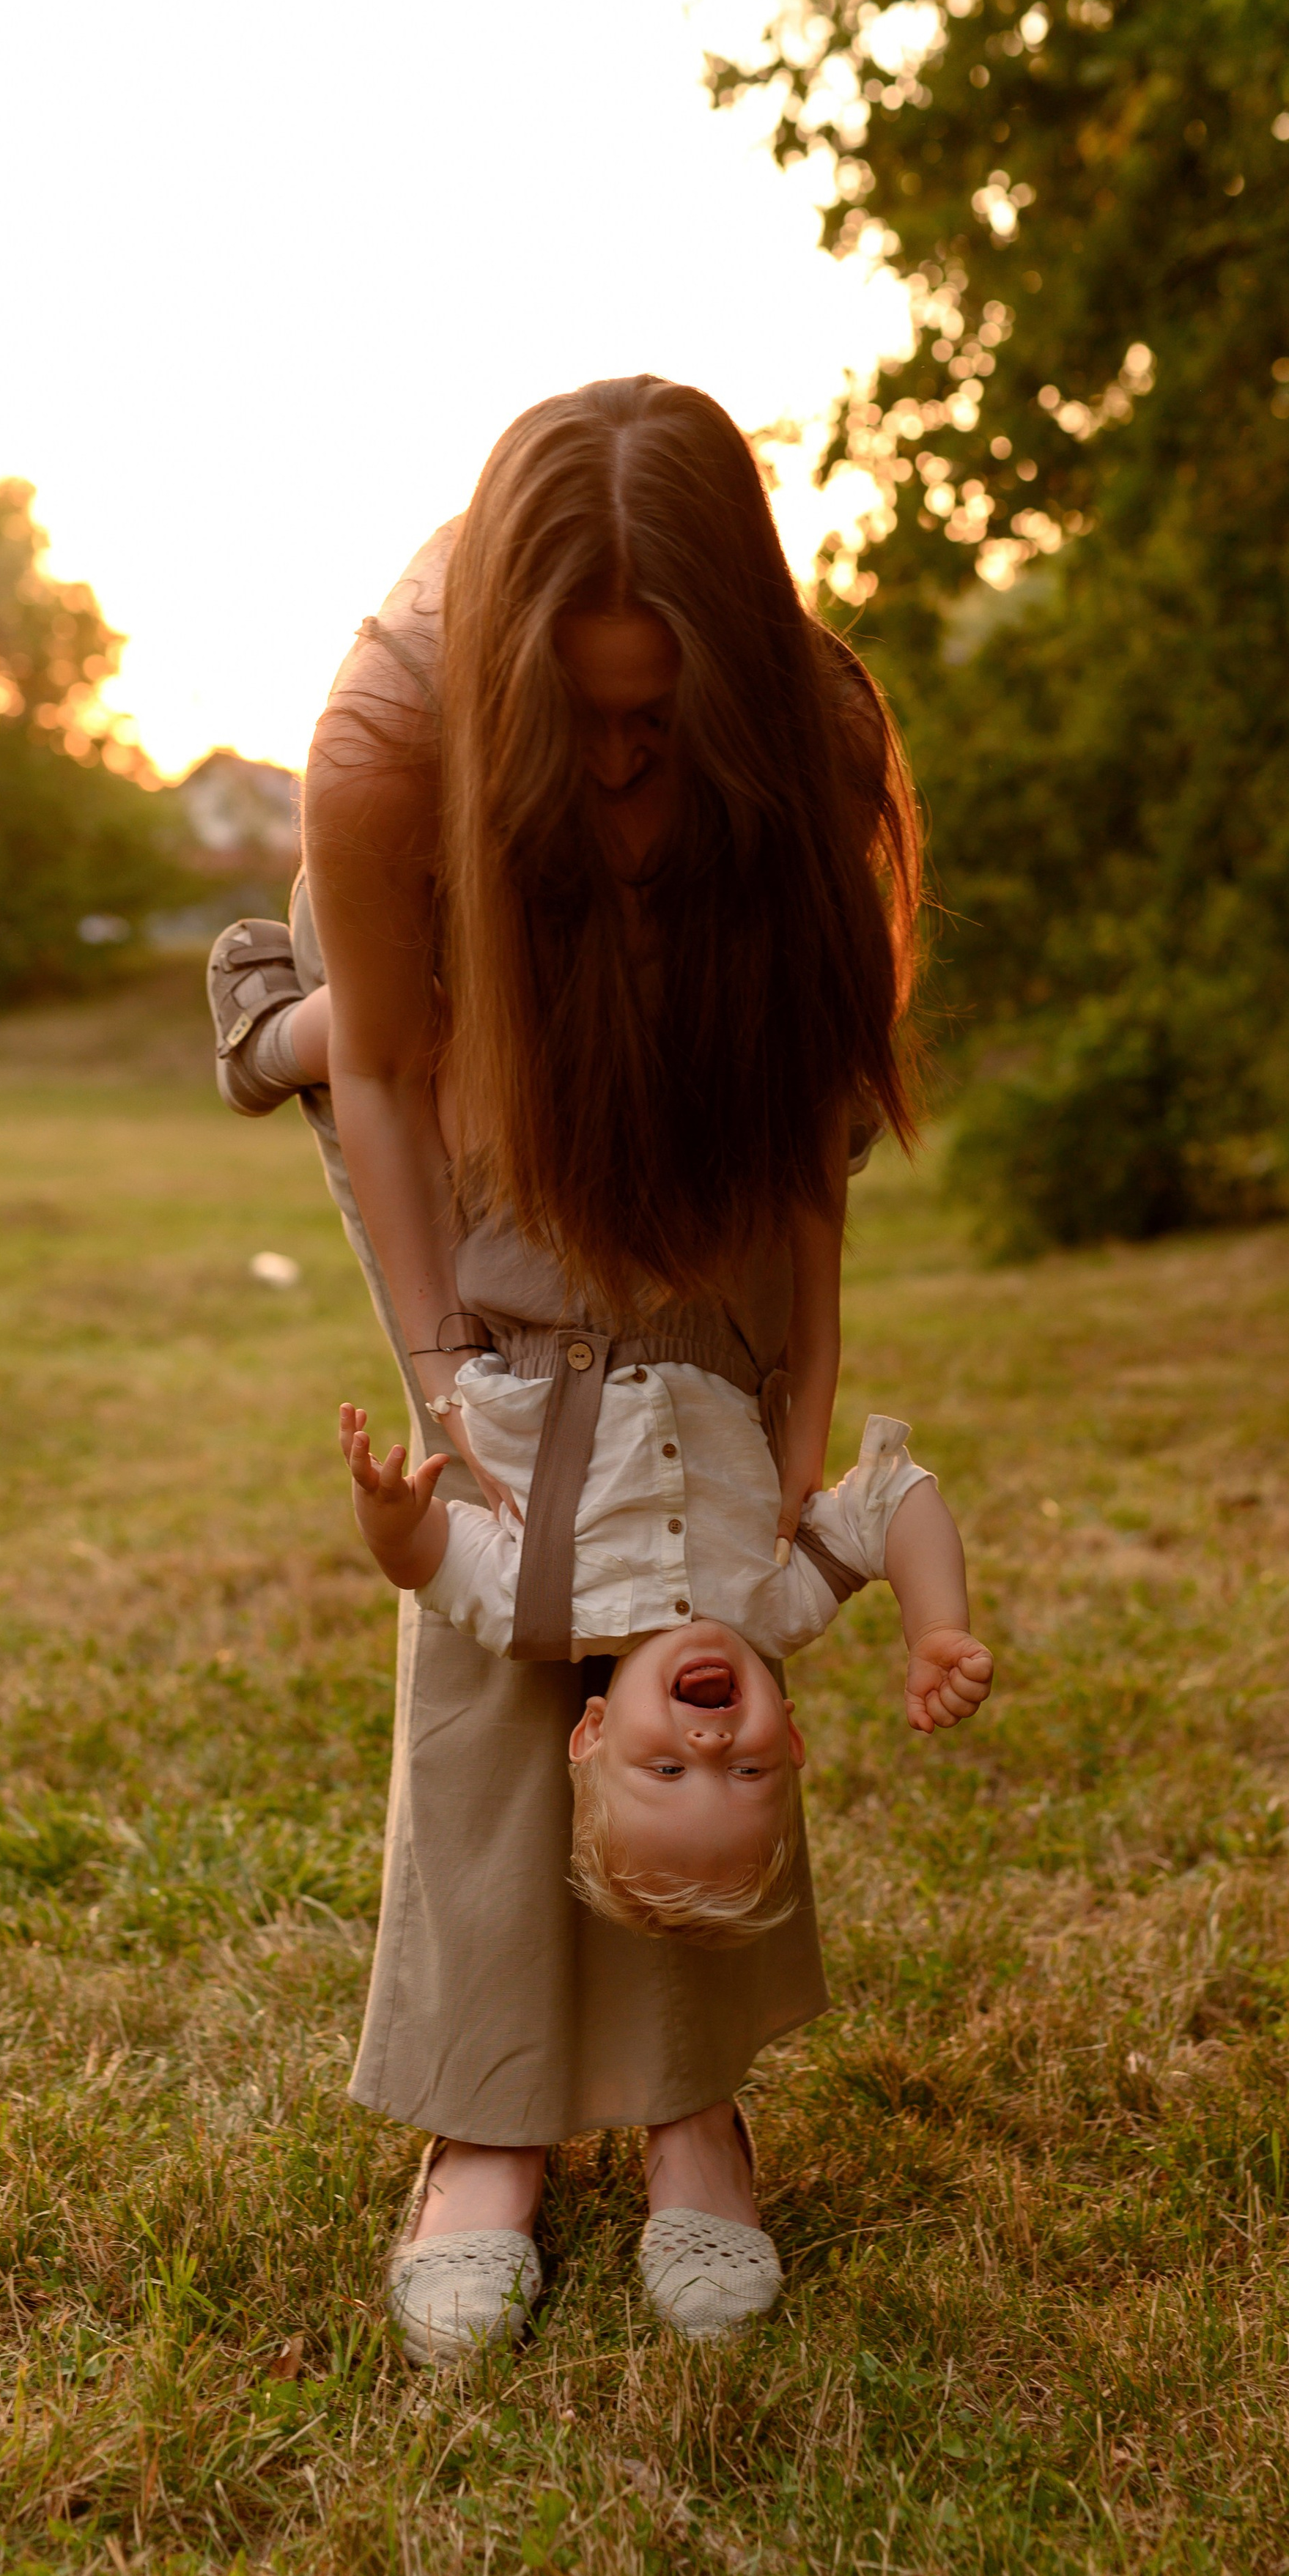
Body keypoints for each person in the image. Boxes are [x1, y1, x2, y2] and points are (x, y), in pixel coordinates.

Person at [207, 374, 944, 2362]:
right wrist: (452, 1379)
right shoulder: (383, 740)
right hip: (447, 1013)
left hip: (686, 1012)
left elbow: (803, 1099)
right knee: (524, 1553)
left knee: (691, 1549)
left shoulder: (810, 729)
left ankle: (694, 2097)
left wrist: (802, 1392)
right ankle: (487, 2122)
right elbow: (397, 1080)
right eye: (590, 723)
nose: (629, 769)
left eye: (664, 722)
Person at [336, 1378, 993, 1941]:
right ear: (790, 1736)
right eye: (747, 1769)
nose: (710, 1742)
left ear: (595, 1731)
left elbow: (426, 1559)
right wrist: (935, 1627)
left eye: (669, 1768)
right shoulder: (789, 1603)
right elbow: (896, 1505)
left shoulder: (535, 1613)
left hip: (534, 1322)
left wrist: (388, 1521)